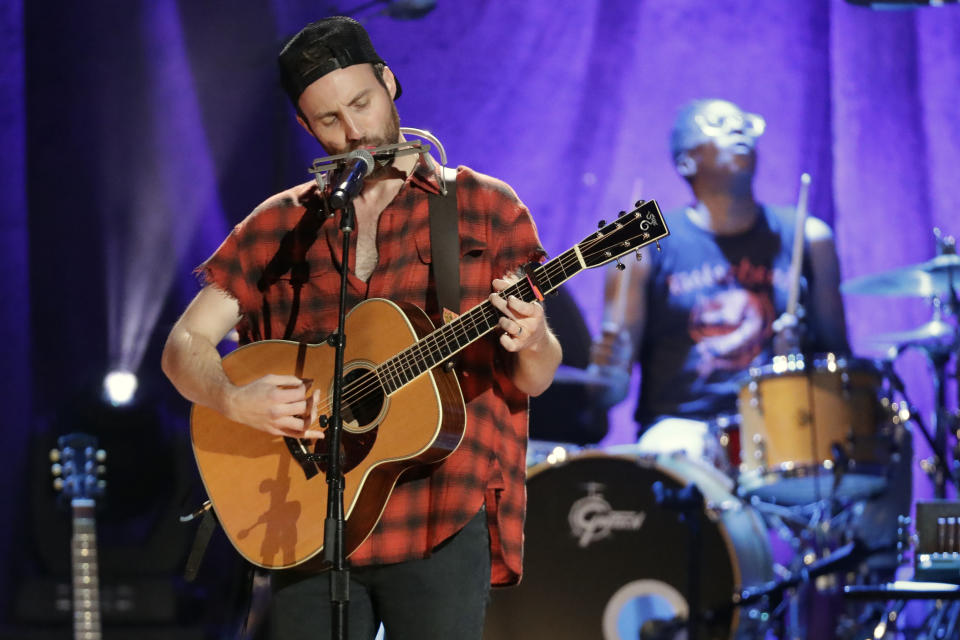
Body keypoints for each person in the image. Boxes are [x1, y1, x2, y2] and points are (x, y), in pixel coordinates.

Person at [161, 16, 561, 640]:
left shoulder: (484, 206)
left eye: (361, 104)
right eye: (328, 121)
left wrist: (533, 340)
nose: (353, 133)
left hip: (439, 510)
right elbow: (184, 347)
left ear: (389, 83)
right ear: (305, 127)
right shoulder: (279, 226)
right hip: (304, 514)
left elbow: (533, 377)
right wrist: (233, 399)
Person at [591, 97, 849, 462]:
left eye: (744, 122)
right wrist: (604, 370)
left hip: (784, 419)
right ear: (686, 161)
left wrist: (799, 359)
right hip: (682, 427)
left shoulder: (808, 236)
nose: (738, 129)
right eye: (717, 124)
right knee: (671, 453)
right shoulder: (639, 245)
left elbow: (840, 361)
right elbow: (609, 392)